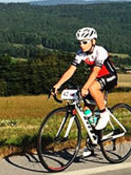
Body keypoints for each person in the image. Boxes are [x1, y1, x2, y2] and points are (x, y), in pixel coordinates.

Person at [50, 27, 119, 156]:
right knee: (87, 112)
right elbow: (71, 70)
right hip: (97, 79)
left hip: (110, 76)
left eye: (85, 42)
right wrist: (57, 85)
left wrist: (86, 87)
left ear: (93, 41)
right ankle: (93, 141)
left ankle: (104, 113)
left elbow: (95, 71)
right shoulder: (80, 53)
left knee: (91, 88)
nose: (81, 45)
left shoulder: (100, 51)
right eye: (80, 42)